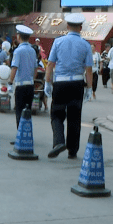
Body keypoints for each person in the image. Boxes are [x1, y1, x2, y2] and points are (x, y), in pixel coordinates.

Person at [45, 14, 93, 159]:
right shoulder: (85, 45)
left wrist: (48, 82)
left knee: (57, 114)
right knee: (74, 117)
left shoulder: (58, 42)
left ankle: (59, 141)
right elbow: (89, 69)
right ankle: (72, 151)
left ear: (67, 27)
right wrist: (89, 88)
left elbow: (50, 65)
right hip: (77, 84)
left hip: (60, 83)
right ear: (80, 28)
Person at [9, 25, 38, 129]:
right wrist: (32, 80)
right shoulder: (33, 50)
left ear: (19, 36)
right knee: (27, 112)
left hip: (20, 86)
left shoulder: (18, 51)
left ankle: (20, 136)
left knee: (19, 111)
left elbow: (14, 68)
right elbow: (35, 69)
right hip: (30, 85)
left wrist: (10, 82)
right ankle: (27, 134)